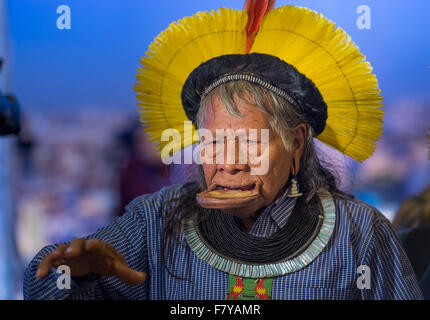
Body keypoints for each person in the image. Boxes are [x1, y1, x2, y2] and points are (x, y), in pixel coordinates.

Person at [24, 1, 423, 299]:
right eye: (213, 143)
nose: (228, 164)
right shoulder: (155, 223)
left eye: (250, 142)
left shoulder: (360, 233)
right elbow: (44, 287)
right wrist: (73, 276)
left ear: (297, 142)